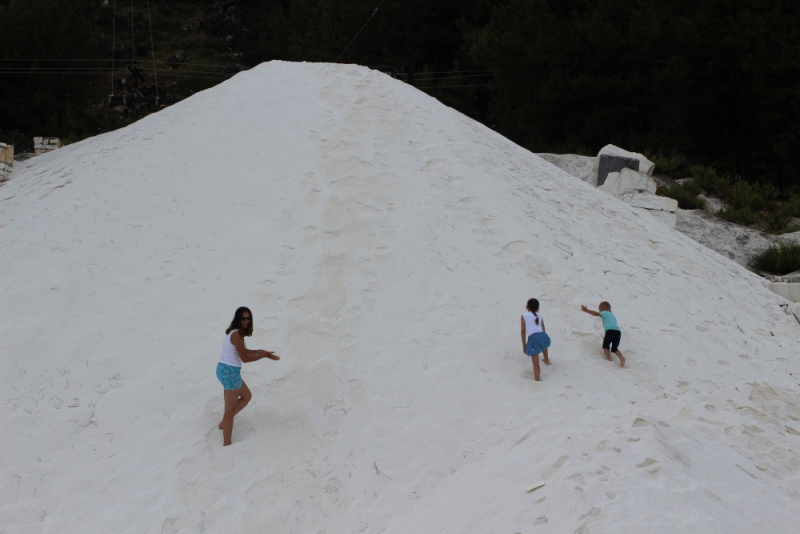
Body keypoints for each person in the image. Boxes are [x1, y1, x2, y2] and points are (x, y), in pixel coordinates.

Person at [216, 306, 280, 446]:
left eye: (248, 318)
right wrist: (262, 356)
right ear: (238, 319)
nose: (246, 321)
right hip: (229, 372)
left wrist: (262, 352)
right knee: (229, 410)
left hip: (226, 370)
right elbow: (244, 358)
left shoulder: (236, 333)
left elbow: (244, 351)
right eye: (243, 318)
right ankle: (227, 443)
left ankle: (224, 423)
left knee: (247, 396)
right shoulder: (236, 335)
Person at [580, 301, 625, 368]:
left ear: (603, 309)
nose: (600, 311)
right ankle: (621, 358)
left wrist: (586, 310)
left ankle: (609, 358)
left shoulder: (605, 312)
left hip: (610, 331)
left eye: (600, 309)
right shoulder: (612, 314)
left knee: (605, 346)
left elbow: (596, 314)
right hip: (618, 332)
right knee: (614, 349)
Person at [520, 298, 552, 381]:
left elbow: (523, 331)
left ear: (527, 307)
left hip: (533, 337)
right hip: (543, 334)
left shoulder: (524, 316)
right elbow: (543, 327)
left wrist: (524, 344)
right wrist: (542, 337)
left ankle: (537, 379)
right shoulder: (539, 315)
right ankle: (546, 360)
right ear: (538, 308)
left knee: (535, 362)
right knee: (544, 345)